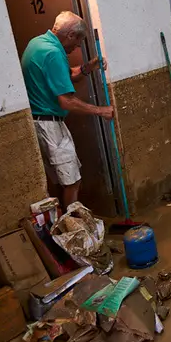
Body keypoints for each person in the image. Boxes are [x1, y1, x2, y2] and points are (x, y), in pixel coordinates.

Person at [21, 11, 114, 210]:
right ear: (71, 35)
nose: (77, 47)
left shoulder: (38, 43)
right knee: (72, 181)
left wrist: (89, 67)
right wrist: (101, 111)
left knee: (59, 181)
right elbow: (67, 101)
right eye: (78, 42)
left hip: (39, 121)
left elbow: (65, 75)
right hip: (49, 125)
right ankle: (72, 229)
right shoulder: (53, 53)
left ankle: (62, 223)